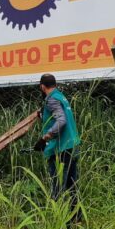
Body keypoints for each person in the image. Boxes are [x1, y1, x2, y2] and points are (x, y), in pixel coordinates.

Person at [34, 73, 81, 220]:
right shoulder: (61, 97)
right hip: (72, 145)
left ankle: (59, 223)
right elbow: (59, 115)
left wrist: (45, 137)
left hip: (61, 149)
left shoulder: (52, 99)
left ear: (42, 87)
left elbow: (61, 120)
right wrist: (43, 115)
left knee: (58, 186)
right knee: (72, 185)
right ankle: (76, 218)